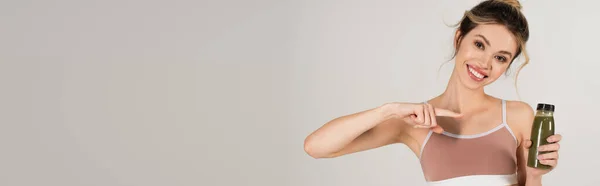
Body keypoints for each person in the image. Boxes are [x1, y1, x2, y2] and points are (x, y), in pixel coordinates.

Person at [303, 0, 562, 185]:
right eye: (479, 44)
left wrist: (535, 177)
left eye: (501, 58)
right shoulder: (414, 123)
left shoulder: (518, 116)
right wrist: (388, 111)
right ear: (459, 39)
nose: (485, 63)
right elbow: (316, 147)